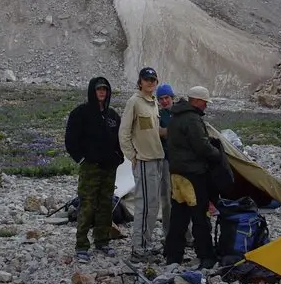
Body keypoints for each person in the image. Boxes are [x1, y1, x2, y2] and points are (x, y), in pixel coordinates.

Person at [64, 76, 124, 263]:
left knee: (105, 203)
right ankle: (82, 244)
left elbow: (120, 138)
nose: (102, 92)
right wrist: (81, 159)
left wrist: (118, 157)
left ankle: (102, 240)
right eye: (99, 89)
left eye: (105, 89)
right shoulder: (81, 113)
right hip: (90, 167)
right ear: (92, 90)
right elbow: (71, 139)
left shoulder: (113, 115)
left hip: (109, 167)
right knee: (87, 204)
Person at [165, 86, 222, 269]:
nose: (206, 105)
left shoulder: (175, 117)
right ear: (197, 101)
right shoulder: (192, 119)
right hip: (193, 175)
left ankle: (173, 256)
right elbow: (202, 147)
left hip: (176, 174)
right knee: (200, 215)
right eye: (205, 102)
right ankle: (206, 256)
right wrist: (218, 154)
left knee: (178, 216)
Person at [119, 67, 165, 262]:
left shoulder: (154, 102)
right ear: (140, 81)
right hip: (144, 161)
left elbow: (154, 131)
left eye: (153, 79)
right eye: (147, 79)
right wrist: (132, 156)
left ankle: (146, 244)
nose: (150, 82)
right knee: (144, 205)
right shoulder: (134, 102)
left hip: (157, 158)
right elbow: (124, 132)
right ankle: (138, 248)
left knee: (153, 205)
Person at [156, 82, 193, 249]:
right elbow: (158, 132)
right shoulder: (158, 115)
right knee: (167, 199)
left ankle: (188, 234)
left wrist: (167, 131)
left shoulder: (180, 113)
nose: (164, 101)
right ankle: (169, 234)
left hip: (182, 161)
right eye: (161, 99)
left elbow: (165, 132)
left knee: (185, 197)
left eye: (167, 98)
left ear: (172, 97)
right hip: (166, 160)